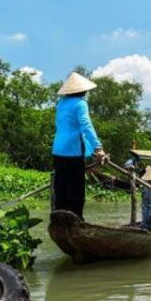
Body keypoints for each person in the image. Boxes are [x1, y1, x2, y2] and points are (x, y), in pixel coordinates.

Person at [51, 71, 106, 219]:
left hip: (58, 149)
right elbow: (86, 126)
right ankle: (76, 219)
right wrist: (98, 147)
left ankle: (59, 216)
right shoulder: (81, 104)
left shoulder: (61, 104)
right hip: (73, 151)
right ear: (83, 91)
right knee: (76, 189)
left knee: (61, 187)